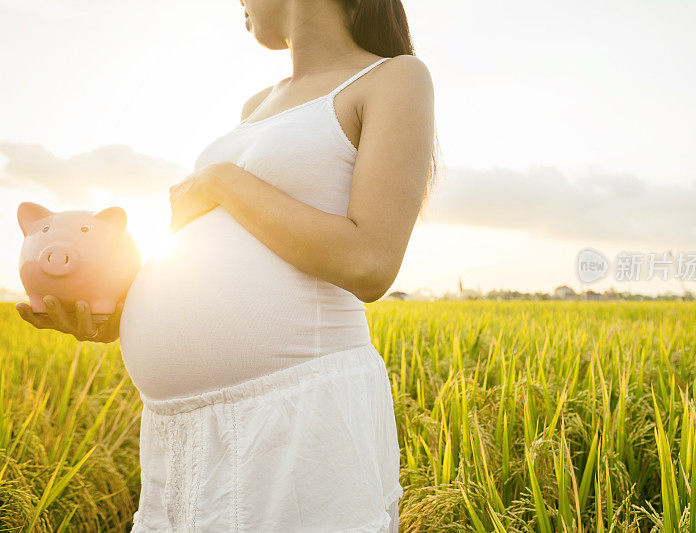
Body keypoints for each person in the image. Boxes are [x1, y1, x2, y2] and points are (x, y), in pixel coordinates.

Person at [15, 0, 438, 530]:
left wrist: (222, 181)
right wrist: (122, 315)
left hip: (294, 413)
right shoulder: (257, 104)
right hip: (182, 427)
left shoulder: (393, 78)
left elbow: (370, 262)